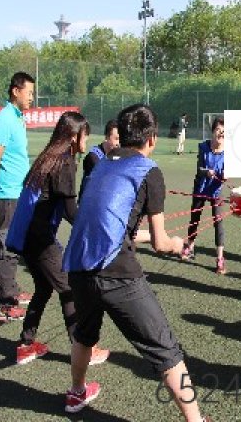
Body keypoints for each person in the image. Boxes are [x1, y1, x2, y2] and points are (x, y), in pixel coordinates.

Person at [62, 104, 209, 421]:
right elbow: (160, 243)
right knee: (167, 351)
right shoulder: (149, 171)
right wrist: (178, 244)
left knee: (85, 335)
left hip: (78, 267)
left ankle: (76, 391)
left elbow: (117, 228)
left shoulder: (99, 164)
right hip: (118, 274)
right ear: (151, 139)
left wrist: (156, 239)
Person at [6, 112, 109, 366]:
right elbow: (71, 211)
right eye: (85, 135)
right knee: (69, 289)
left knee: (43, 288)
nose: (87, 140)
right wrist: (97, 227)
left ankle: (26, 345)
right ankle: (83, 350)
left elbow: (62, 207)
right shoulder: (64, 162)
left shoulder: (50, 157)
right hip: (39, 240)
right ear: (74, 136)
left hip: (29, 237)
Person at [0, 72, 35, 322]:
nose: (32, 97)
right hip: (6, 195)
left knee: (14, 246)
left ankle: (11, 290)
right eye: (29, 92)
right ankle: (3, 305)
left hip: (17, 193)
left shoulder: (17, 117)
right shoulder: (5, 119)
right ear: (16, 91)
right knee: (7, 248)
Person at [181, 117, 227, 274]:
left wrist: (224, 176)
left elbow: (227, 172)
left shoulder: (229, 152)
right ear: (213, 131)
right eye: (218, 130)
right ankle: (190, 247)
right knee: (194, 219)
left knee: (218, 223)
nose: (221, 133)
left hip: (216, 191)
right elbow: (199, 168)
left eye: (224, 131)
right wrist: (206, 172)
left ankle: (220, 258)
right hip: (200, 188)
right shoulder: (204, 146)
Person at [79, 119, 119, 199]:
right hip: (90, 203)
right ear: (106, 137)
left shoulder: (119, 155)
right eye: (116, 139)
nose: (119, 143)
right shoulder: (93, 157)